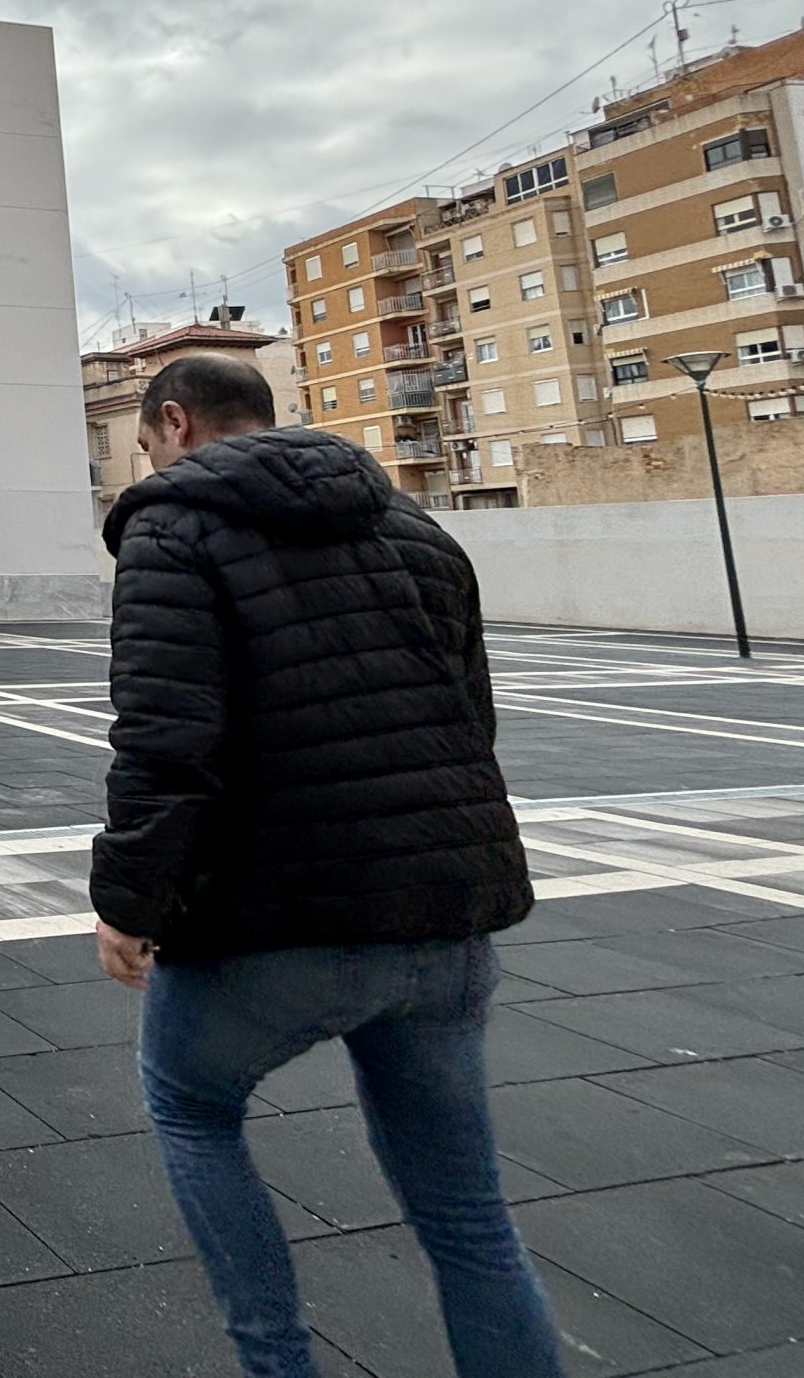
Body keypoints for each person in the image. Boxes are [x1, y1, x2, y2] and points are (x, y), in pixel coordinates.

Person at [90, 352, 561, 1378]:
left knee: (191, 1107)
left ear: (173, 423)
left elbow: (166, 740)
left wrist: (127, 901)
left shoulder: (173, 528)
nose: (144, 467)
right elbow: (472, 718)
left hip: (280, 918)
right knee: (470, 1221)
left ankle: (276, 1363)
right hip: (445, 916)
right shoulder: (418, 530)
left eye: (141, 446)